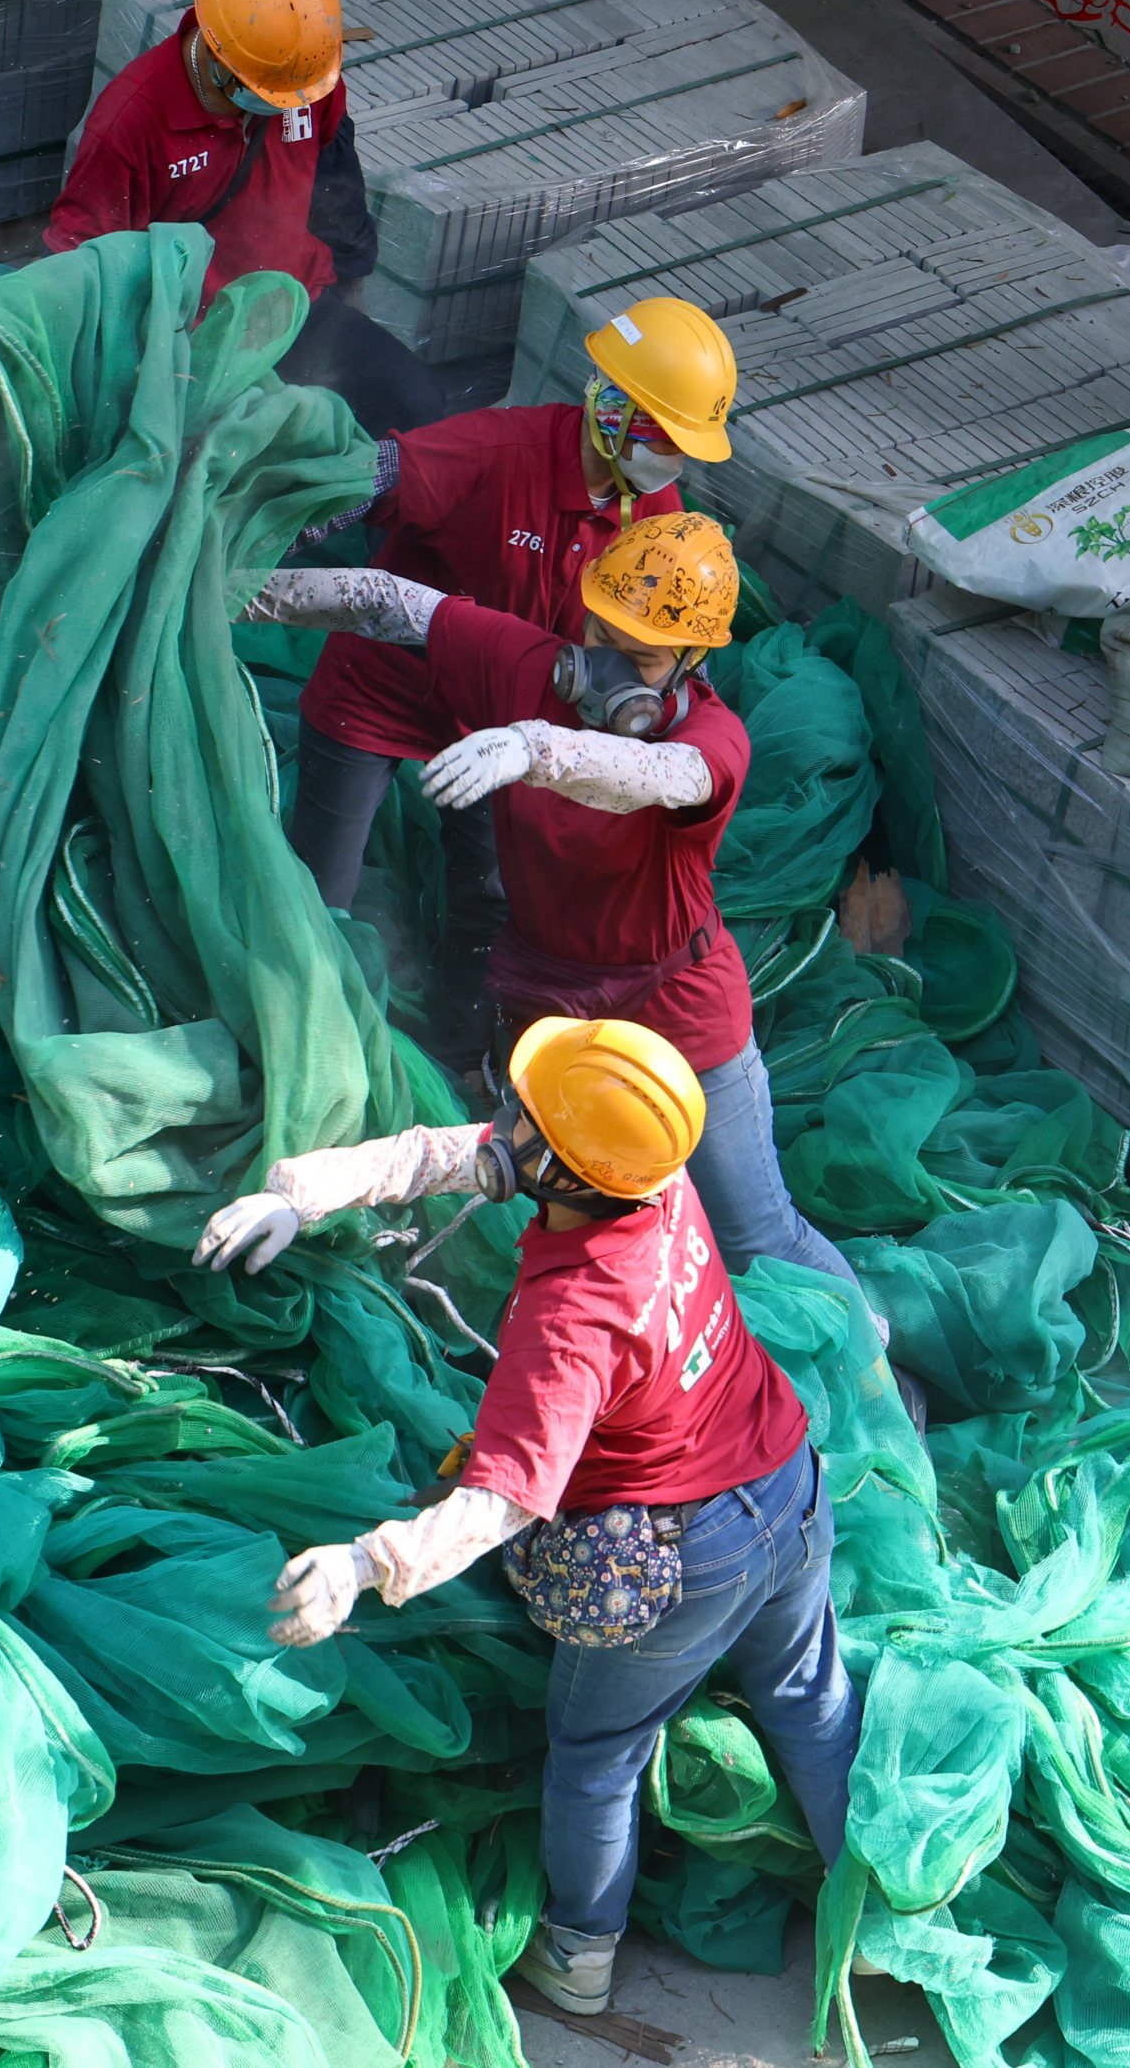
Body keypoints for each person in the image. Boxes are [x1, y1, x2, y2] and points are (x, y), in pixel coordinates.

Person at [195, 1016, 860, 2019]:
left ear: (567, 1163)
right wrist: (299, 1192)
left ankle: (582, 1955)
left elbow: (504, 1499)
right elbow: (464, 1156)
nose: (503, 1118)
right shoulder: (654, 1174)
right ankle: (866, 1904)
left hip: (686, 1548)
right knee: (808, 1696)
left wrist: (366, 1563)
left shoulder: (573, 1317)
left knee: (597, 1755)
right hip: (785, 1484)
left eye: (524, 1112)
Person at [243, 510, 863, 1296]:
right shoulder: (528, 666)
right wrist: (236, 590)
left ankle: (868, 1364)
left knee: (756, 1236)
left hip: (677, 1017)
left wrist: (535, 749)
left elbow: (658, 778)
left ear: (691, 660)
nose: (605, 668)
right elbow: (389, 601)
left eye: (638, 656)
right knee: (553, 1210)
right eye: (600, 637)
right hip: (549, 1013)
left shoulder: (713, 741)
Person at [283, 297, 743, 1035]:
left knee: (488, 893)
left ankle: (460, 1044)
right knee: (317, 890)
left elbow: (661, 636)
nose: (674, 459)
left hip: (499, 716)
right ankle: (304, 1031)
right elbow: (375, 480)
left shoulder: (658, 517)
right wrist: (274, 522)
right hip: (378, 690)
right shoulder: (501, 451)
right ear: (613, 405)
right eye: (668, 436)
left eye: (685, 445)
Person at [44, 0, 440, 435]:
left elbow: (337, 185)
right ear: (218, 59)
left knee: (417, 409)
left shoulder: (302, 78)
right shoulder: (132, 122)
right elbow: (84, 262)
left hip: (294, 309)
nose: (289, 105)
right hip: (189, 340)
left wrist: (351, 285)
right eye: (270, 95)